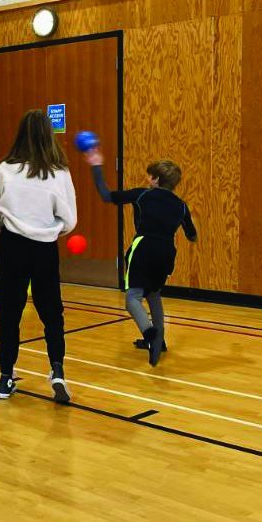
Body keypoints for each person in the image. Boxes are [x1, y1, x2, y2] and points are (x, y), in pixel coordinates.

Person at [0, 110, 77, 402]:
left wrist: (7, 227)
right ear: (48, 134)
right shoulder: (59, 173)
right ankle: (57, 370)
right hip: (44, 248)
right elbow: (70, 220)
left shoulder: (4, 170)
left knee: (9, 314)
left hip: (12, 246)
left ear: (20, 134)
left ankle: (5, 377)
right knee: (52, 313)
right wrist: (51, 231)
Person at [85, 147, 197, 366]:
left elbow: (106, 195)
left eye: (149, 176)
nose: (148, 179)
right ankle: (160, 342)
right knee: (153, 293)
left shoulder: (142, 194)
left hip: (143, 248)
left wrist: (96, 166)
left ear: (155, 179)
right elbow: (192, 235)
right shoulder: (181, 206)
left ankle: (150, 334)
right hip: (166, 252)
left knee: (132, 298)